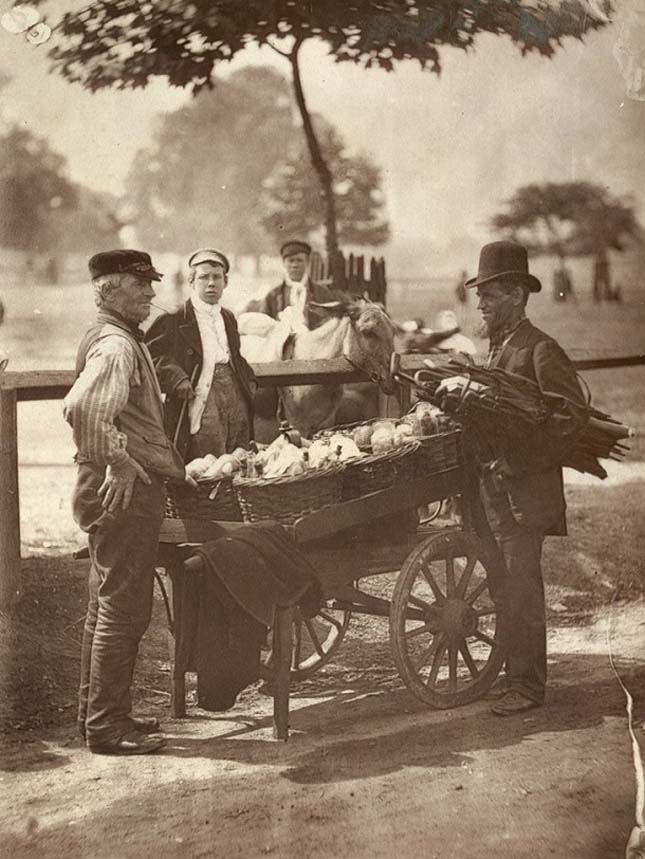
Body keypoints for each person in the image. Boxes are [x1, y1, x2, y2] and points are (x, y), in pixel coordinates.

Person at [64, 249, 186, 755]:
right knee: (124, 610)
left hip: (111, 490)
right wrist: (118, 462)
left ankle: (97, 715)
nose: (151, 293)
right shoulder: (116, 345)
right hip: (123, 492)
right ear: (110, 289)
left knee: (104, 605)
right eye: (140, 285)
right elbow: (83, 409)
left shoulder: (111, 336)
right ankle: (107, 728)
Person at [462, 241, 587, 716]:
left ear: (517, 295)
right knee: (503, 587)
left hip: (522, 493)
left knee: (522, 588)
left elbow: (570, 418)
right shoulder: (498, 349)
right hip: (493, 494)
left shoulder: (540, 349)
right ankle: (514, 675)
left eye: (489, 295)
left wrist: (516, 463)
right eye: (480, 295)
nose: (480, 304)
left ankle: (528, 685)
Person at [145, 248, 256, 462]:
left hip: (233, 392)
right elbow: (150, 355)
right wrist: (177, 377)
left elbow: (234, 355)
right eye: (204, 277)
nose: (211, 283)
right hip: (200, 394)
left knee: (238, 451)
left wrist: (249, 380)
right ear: (191, 281)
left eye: (217, 277)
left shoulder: (228, 317)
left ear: (226, 282)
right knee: (209, 457)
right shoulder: (176, 317)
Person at [242, 240, 338, 330]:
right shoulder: (273, 295)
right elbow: (264, 324)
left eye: (299, 260)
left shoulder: (322, 293)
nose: (295, 265)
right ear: (284, 263)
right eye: (291, 261)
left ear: (307, 263)